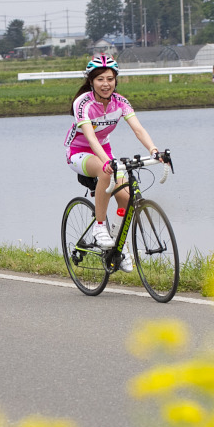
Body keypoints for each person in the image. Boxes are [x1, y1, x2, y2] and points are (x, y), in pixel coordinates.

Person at [64, 54, 161, 273]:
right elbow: (90, 137)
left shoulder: (121, 102)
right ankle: (99, 227)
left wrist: (154, 150)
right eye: (100, 79)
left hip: (104, 152)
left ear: (116, 80)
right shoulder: (83, 102)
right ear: (91, 81)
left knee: (126, 198)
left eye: (110, 79)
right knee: (105, 172)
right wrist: (107, 162)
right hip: (79, 152)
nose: (105, 84)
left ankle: (119, 246)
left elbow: (138, 129)